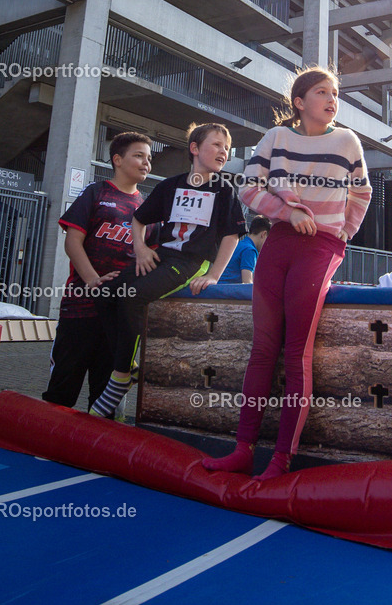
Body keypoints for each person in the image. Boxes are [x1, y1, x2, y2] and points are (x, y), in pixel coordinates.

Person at [203, 67, 372, 480]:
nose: (332, 100)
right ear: (300, 102)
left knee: (297, 352)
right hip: (279, 241)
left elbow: (362, 192)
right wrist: (289, 211)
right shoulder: (275, 139)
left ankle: (281, 460)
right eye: (322, 92)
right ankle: (243, 449)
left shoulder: (348, 140)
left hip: (321, 247)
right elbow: (247, 188)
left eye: (335, 93)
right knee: (263, 349)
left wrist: (342, 235)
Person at [90, 123, 246, 418]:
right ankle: (131, 366)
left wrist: (213, 274)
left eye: (227, 148)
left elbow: (232, 235)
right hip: (160, 256)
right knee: (104, 291)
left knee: (134, 296)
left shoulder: (224, 190)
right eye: (216, 145)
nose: (223, 152)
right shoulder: (169, 186)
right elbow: (139, 220)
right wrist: (141, 248)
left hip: (191, 262)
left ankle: (120, 375)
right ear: (195, 148)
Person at [42, 132, 153, 410]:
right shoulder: (96, 192)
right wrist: (93, 280)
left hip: (119, 318)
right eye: (138, 156)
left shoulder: (149, 209)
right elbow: (72, 241)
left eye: (149, 158)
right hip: (80, 308)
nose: (146, 163)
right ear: (117, 159)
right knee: (61, 393)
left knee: (105, 400)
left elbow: (152, 259)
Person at [219, 216, 271, 284]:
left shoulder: (239, 245)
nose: (268, 245)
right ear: (263, 234)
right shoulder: (250, 250)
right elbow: (247, 283)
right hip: (228, 291)